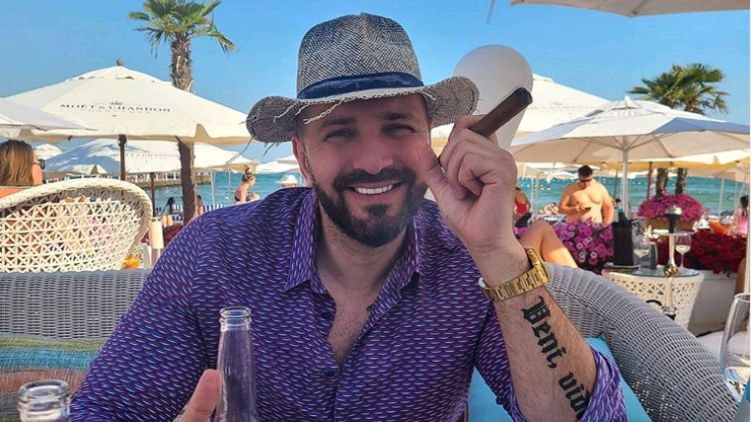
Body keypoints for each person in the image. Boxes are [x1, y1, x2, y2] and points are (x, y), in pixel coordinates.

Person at [72, 14, 624, 421]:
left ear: (432, 139)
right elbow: (106, 409)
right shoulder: (216, 252)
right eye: (340, 133)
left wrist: (500, 254)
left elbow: (589, 418)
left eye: (398, 127)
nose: (375, 160)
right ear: (302, 155)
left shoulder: (468, 264)